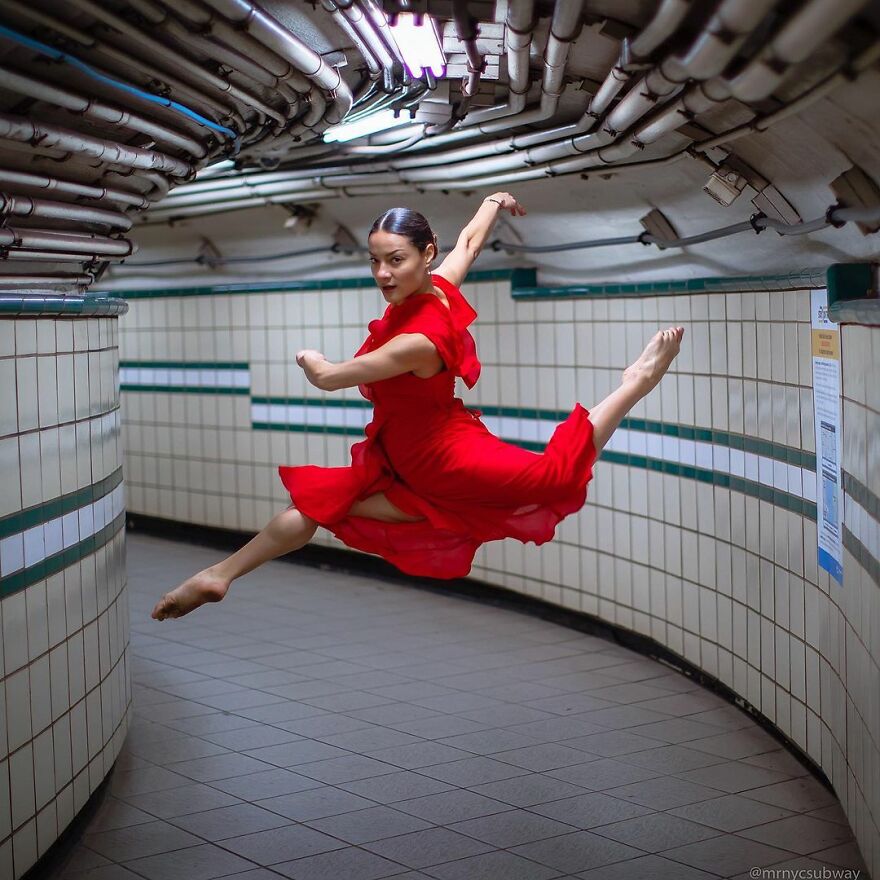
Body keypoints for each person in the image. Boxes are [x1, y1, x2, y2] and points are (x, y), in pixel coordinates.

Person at [151, 193, 683, 620]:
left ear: (426, 255)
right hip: (413, 445)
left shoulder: (416, 341)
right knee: (321, 502)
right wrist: (493, 203)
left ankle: (635, 382)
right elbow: (470, 245)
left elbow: (330, 377)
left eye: (395, 260)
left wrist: (306, 354)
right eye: (376, 261)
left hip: (439, 453)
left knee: (549, 476)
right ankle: (218, 575)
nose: (383, 274)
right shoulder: (438, 291)